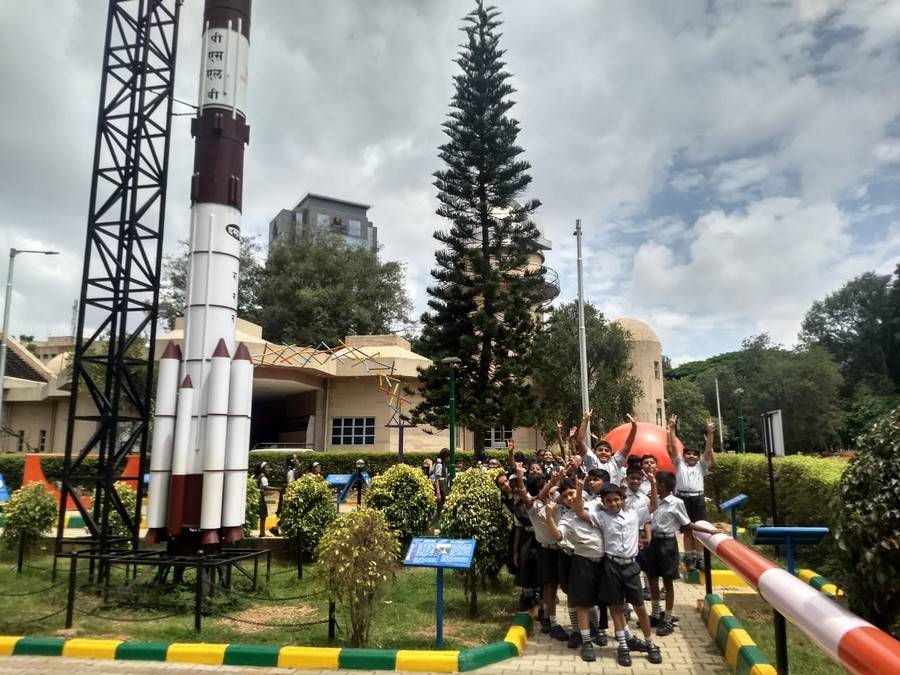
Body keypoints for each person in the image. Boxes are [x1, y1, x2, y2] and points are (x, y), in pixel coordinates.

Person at [573, 476, 661, 666]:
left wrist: (653, 484)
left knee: (639, 607)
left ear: (622, 499)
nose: (613, 503)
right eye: (608, 501)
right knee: (616, 607)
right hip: (611, 566)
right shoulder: (601, 516)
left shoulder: (634, 514)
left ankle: (649, 643)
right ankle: (622, 645)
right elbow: (580, 511)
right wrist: (579, 489)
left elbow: (653, 505)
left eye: (616, 499)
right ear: (603, 503)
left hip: (631, 566)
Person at [645, 470, 722, 636]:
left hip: (667, 543)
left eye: (656, 483)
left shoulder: (676, 503)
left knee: (667, 581)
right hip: (654, 542)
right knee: (652, 578)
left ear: (663, 486)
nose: (654, 486)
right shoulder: (654, 501)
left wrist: (709, 531)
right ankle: (656, 613)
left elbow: (687, 524)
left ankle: (668, 617)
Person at [545, 477, 609, 661]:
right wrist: (549, 516)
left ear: (579, 491)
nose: (569, 498)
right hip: (578, 560)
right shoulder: (567, 518)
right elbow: (557, 536)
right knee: (579, 600)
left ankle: (598, 629)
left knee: (598, 598)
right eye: (565, 496)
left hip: (602, 559)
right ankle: (582, 636)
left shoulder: (597, 506)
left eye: (572, 493)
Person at [515, 465, 568, 641]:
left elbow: (567, 490)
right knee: (550, 587)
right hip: (548, 551)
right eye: (545, 485)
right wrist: (521, 477)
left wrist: (560, 478)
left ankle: (548, 614)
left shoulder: (557, 501)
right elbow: (524, 493)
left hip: (563, 550)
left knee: (557, 587)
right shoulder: (533, 506)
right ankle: (551, 622)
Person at [668, 415, 716, 570]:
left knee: (700, 529)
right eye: (688, 454)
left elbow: (708, 451)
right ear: (684, 456)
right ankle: (689, 557)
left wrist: (710, 433)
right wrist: (672, 429)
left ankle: (700, 558)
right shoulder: (679, 465)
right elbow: (673, 447)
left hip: (698, 499)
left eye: (695, 454)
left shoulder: (701, 466)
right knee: (687, 529)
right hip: (683, 499)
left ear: (698, 457)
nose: (691, 456)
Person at [254, 462, 276, 538]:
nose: (269, 469)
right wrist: (277, 489)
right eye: (267, 468)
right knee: (263, 515)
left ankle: (262, 532)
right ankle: (262, 533)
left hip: (256, 496)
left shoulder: (257, 476)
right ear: (262, 469)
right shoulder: (263, 477)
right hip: (260, 497)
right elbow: (266, 487)